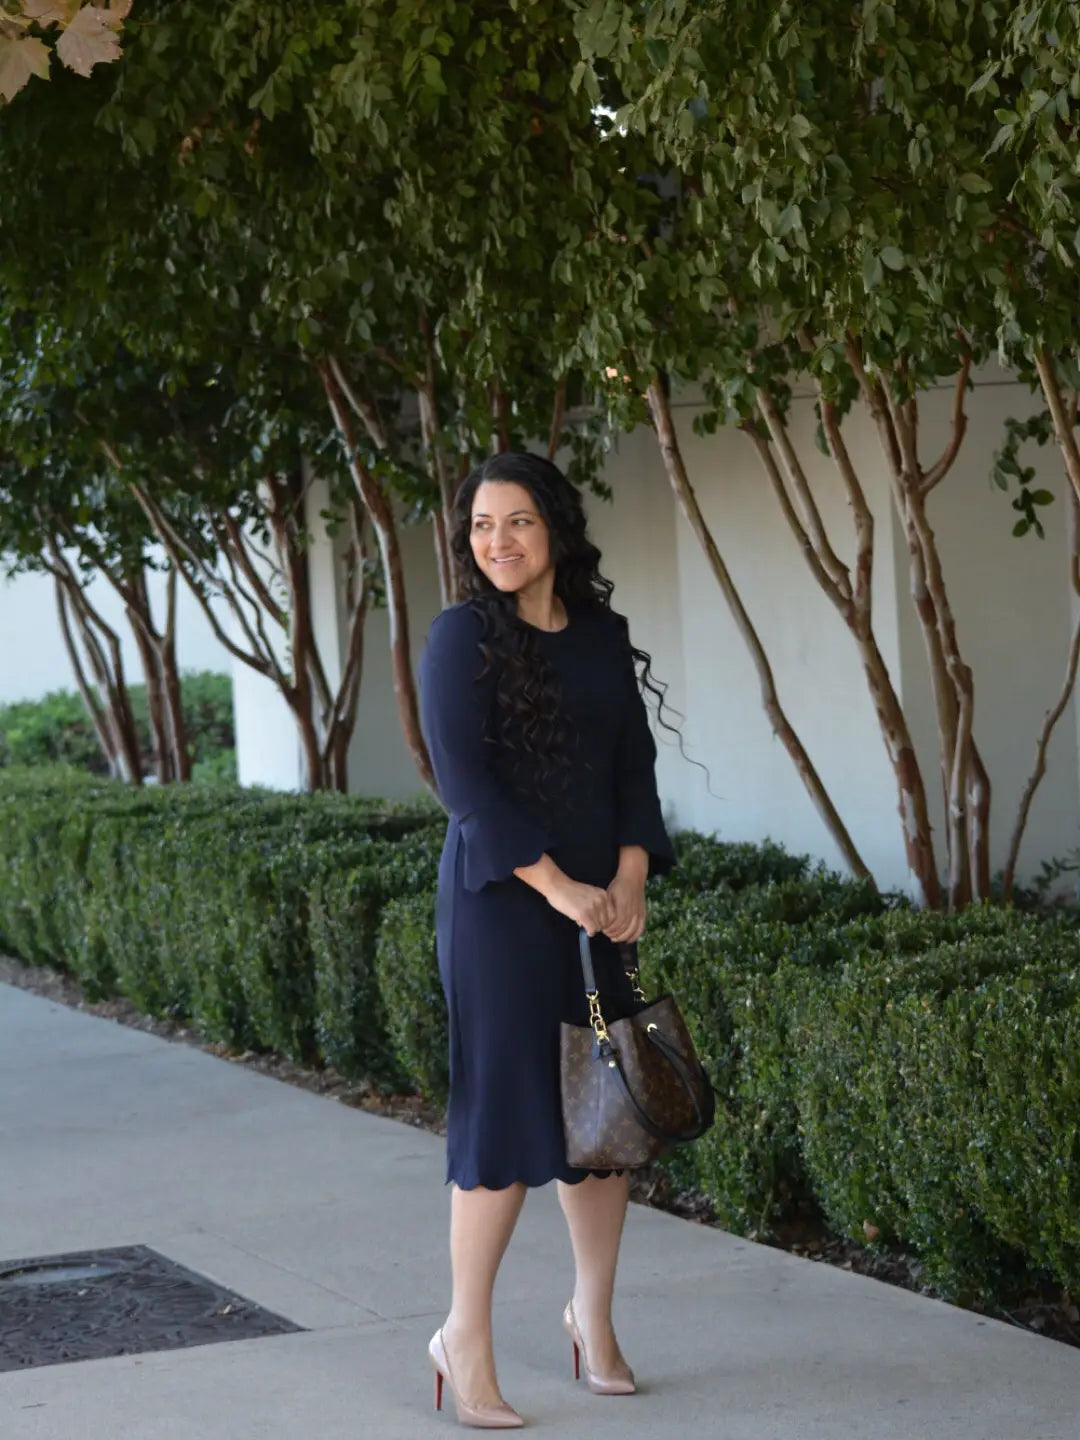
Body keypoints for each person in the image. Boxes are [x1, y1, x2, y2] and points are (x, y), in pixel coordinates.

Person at [418, 452, 675, 1428]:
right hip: (500, 905)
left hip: (599, 902)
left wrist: (630, 877)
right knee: (505, 1125)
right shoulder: (459, 640)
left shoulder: (602, 639)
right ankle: (463, 1337)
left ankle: (592, 1322)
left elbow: (634, 771)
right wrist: (565, 890)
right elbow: (467, 791)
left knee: (603, 1120)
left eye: (516, 522)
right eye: (482, 527)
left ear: (555, 528)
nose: (498, 543)